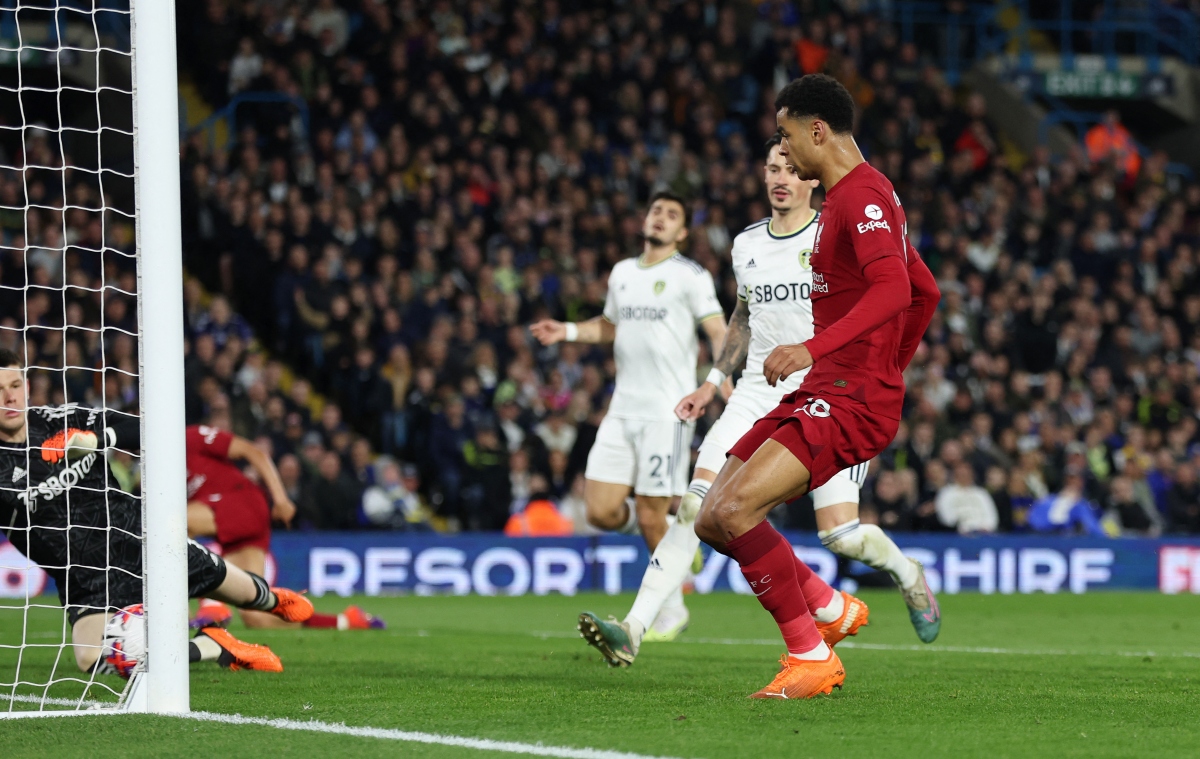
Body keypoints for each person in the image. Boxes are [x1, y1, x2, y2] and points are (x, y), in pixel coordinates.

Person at [578, 135, 920, 667]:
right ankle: (635, 627)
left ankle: (902, 575)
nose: (780, 177)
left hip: (824, 387)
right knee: (698, 506)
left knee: (840, 534)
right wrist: (713, 382)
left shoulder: (836, 233)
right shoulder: (747, 244)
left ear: (810, 175)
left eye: (789, 167)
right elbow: (742, 318)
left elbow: (900, 293)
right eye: (770, 168)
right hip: (758, 387)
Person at [694, 75, 941, 699]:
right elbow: (927, 291)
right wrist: (891, 367)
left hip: (845, 393)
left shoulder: (860, 199)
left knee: (733, 510)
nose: (782, 150)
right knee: (709, 518)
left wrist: (821, 351)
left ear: (817, 130)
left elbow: (897, 291)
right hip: (828, 389)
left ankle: (811, 654)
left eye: (785, 135)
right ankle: (830, 611)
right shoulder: (855, 198)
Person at [0, 349, 314, 674]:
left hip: (139, 540)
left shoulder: (63, 420)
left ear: (26, 386)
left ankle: (276, 601)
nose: (9, 398)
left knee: (255, 598)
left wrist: (96, 440)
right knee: (93, 659)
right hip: (84, 577)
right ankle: (214, 644)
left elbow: (149, 431)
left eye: (15, 385)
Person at [531, 192, 727, 640]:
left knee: (653, 514)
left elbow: (717, 329)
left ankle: (672, 609)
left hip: (668, 412)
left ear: (682, 233)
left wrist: (718, 377)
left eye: (671, 215)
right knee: (600, 511)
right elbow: (610, 325)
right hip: (621, 411)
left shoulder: (690, 275)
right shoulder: (622, 272)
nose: (660, 218)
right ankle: (676, 547)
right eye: (656, 210)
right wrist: (566, 330)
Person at [186, 423, 384, 631]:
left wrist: (281, 499)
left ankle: (210, 606)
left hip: (242, 503)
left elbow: (254, 452)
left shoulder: (191, 438)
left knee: (174, 524)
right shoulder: (152, 469)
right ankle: (347, 621)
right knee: (256, 615)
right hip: (235, 530)